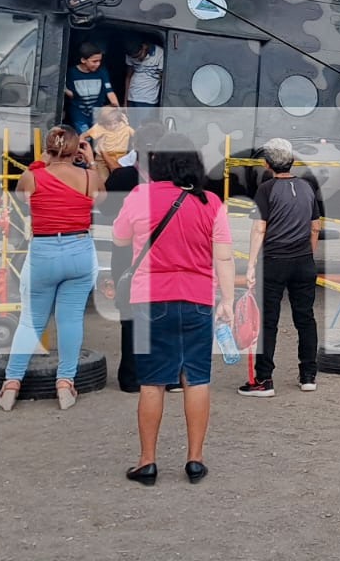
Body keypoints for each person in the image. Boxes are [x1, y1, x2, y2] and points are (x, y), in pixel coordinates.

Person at [112, 134, 236, 485]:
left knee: (152, 384)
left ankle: (147, 461)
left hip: (149, 300)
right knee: (196, 380)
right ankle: (195, 459)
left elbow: (120, 238)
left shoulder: (140, 197)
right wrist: (227, 301)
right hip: (198, 299)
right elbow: (224, 257)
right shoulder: (211, 202)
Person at [0, 125, 104, 411]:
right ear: (76, 149)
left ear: (47, 148)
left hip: (44, 249)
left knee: (31, 321)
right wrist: (91, 161)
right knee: (70, 320)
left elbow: (22, 198)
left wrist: (40, 162)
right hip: (79, 248)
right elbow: (102, 199)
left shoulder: (32, 176)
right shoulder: (87, 176)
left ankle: (11, 382)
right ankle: (65, 383)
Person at [240, 138, 321, 397]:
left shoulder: (266, 190)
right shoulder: (307, 187)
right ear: (293, 160)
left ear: (267, 164)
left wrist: (251, 264)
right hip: (303, 261)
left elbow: (258, 229)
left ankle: (264, 379)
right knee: (305, 318)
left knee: (268, 321)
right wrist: (309, 253)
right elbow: (315, 226)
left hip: (274, 261)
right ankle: (308, 374)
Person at [100, 121, 169, 393]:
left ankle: (130, 377)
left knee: (129, 314)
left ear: (135, 148)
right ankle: (166, 374)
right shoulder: (173, 181)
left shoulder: (121, 178)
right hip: (164, 255)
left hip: (127, 255)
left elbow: (106, 212)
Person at [65, 43, 119, 135]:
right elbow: (70, 93)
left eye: (100, 61)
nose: (98, 64)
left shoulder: (102, 71)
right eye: (94, 61)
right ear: (83, 60)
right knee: (86, 137)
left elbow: (109, 92)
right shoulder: (71, 73)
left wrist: (117, 109)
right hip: (79, 113)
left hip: (98, 113)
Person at [124, 37, 165, 126]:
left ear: (144, 47)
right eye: (134, 58)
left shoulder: (160, 53)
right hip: (132, 97)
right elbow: (128, 76)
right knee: (130, 128)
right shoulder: (130, 55)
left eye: (139, 56)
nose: (138, 59)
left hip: (148, 99)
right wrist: (125, 101)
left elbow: (163, 79)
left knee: (143, 129)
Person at [85, 105, 134, 171]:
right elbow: (83, 136)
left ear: (119, 121)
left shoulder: (125, 127)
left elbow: (137, 135)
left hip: (120, 158)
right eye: (109, 124)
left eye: (115, 123)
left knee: (118, 177)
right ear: (103, 122)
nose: (112, 126)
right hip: (102, 159)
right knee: (102, 179)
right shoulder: (100, 127)